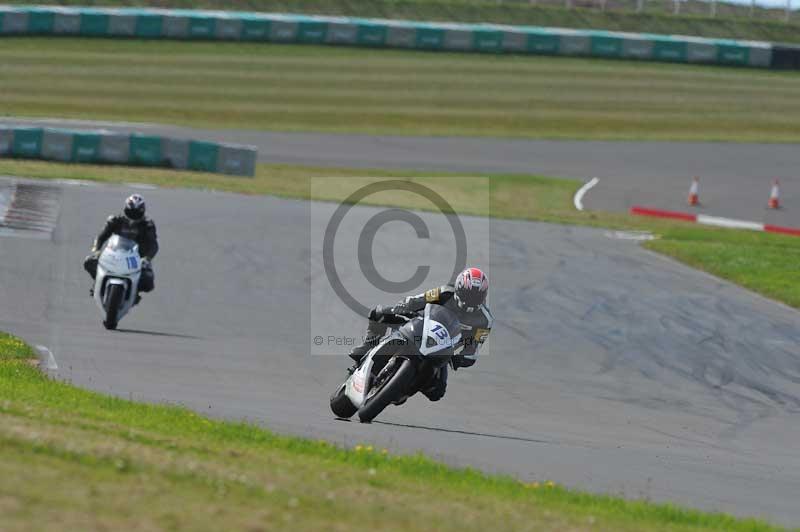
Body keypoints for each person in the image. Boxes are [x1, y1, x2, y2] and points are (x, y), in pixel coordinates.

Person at [348, 267, 493, 402]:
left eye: (476, 296)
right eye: (468, 294)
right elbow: (420, 299)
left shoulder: (485, 320)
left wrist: (462, 358)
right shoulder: (445, 292)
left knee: (436, 392)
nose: (470, 300)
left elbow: (474, 346)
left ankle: (405, 387)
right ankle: (368, 345)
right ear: (458, 288)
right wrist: (405, 306)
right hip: (420, 328)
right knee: (379, 313)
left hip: (443, 349)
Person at [83, 194, 159, 303]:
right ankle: (98, 282)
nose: (133, 216)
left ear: (142, 211)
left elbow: (153, 245)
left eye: (136, 212)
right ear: (125, 209)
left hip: (137, 258)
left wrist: (147, 258)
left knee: (148, 280)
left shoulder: (148, 225)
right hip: (114, 253)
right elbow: (101, 237)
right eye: (131, 212)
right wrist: (96, 250)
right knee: (89, 261)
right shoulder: (115, 220)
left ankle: (135, 291)